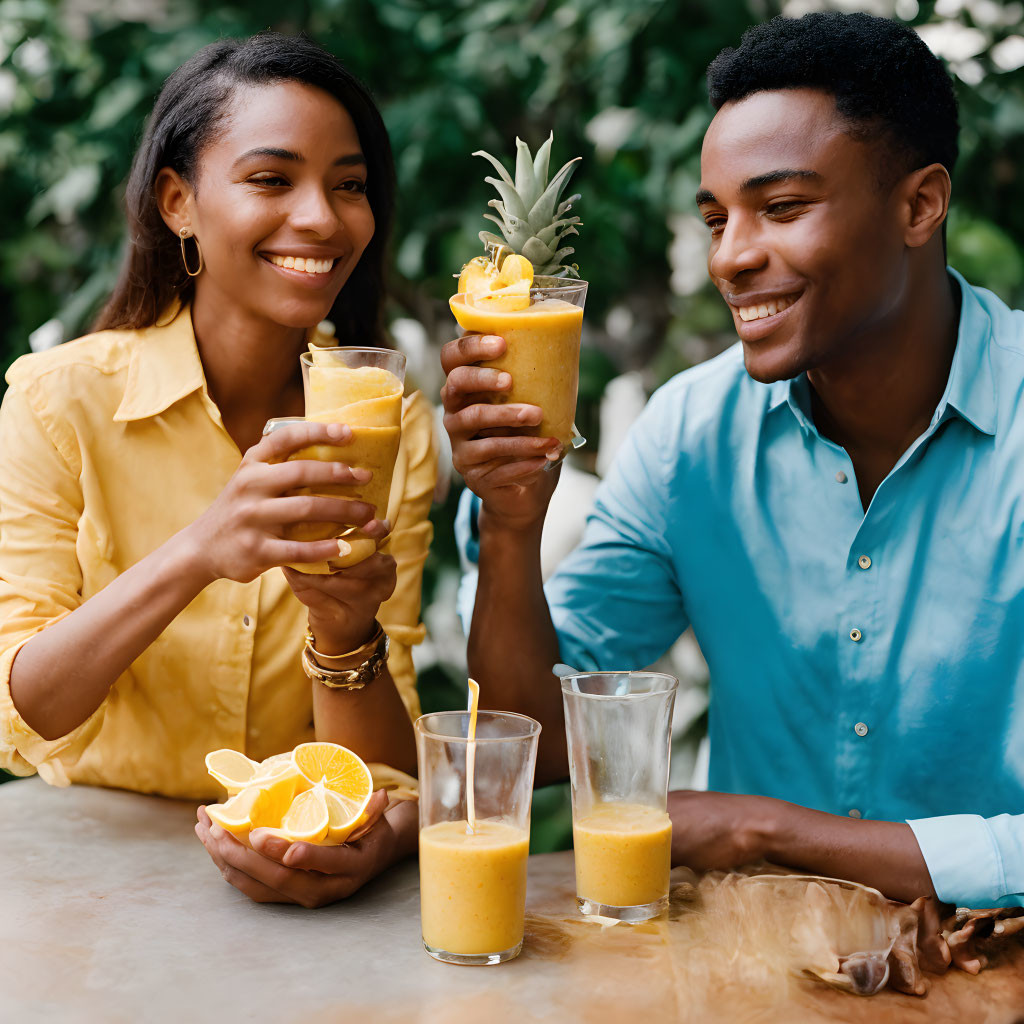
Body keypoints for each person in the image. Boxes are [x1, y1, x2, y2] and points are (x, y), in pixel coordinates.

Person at [443, 10, 1024, 935]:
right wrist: (512, 522)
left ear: (919, 205)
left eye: (782, 208)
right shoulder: (691, 431)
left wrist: (763, 831)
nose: (730, 257)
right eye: (717, 219)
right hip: (760, 969)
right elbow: (543, 743)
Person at [0, 33, 437, 907]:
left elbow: (379, 771)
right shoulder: (59, 401)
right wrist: (202, 547)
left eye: (348, 185)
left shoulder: (389, 420)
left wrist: (346, 632)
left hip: (291, 880)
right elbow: (29, 703)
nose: (321, 216)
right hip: (82, 875)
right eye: (272, 180)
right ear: (179, 204)